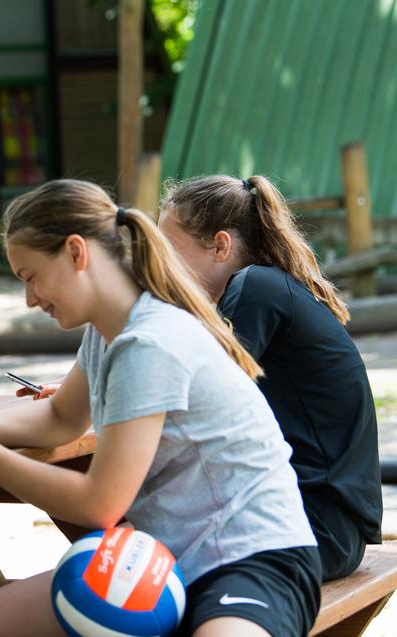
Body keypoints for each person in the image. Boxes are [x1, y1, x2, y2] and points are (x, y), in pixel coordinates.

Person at [0, 180, 321, 637]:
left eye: (31, 277)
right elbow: (58, 418)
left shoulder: (149, 342)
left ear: (75, 252)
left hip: (252, 559)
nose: (29, 299)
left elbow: (100, 504)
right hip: (162, 558)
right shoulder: (108, 330)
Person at [157, 174, 382, 581]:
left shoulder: (256, 288)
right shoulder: (265, 286)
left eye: (169, 251)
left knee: (143, 567)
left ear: (221, 246)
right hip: (314, 523)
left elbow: (194, 393)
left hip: (316, 528)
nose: (160, 265)